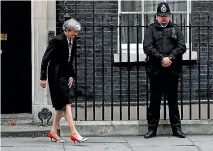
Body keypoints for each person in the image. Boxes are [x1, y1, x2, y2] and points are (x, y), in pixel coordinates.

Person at [40, 18, 88, 143]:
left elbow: (70, 60)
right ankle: (74, 132)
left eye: (77, 32)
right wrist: (43, 78)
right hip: (55, 75)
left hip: (64, 75)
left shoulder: (73, 40)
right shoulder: (57, 40)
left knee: (61, 106)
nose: (76, 34)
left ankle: (53, 132)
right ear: (66, 30)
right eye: (74, 31)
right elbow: (45, 59)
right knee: (67, 102)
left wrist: (71, 75)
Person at [143, 2, 186, 138]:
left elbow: (182, 46)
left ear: (169, 16)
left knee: (173, 101)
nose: (163, 18)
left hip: (172, 71)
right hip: (156, 71)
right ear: (156, 16)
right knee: (154, 101)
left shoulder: (176, 28)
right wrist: (161, 58)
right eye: (161, 16)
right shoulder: (151, 29)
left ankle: (177, 129)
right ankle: (152, 129)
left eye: (166, 15)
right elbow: (147, 47)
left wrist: (170, 58)